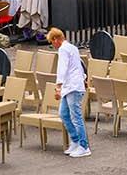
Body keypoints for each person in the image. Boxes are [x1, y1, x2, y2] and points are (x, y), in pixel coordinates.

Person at [49, 27, 90, 158]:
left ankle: (83, 146)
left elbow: (62, 68)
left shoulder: (63, 49)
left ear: (56, 39)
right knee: (64, 114)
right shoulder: (72, 48)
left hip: (72, 86)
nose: (52, 45)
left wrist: (58, 86)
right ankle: (76, 141)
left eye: (52, 42)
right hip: (72, 86)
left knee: (75, 116)